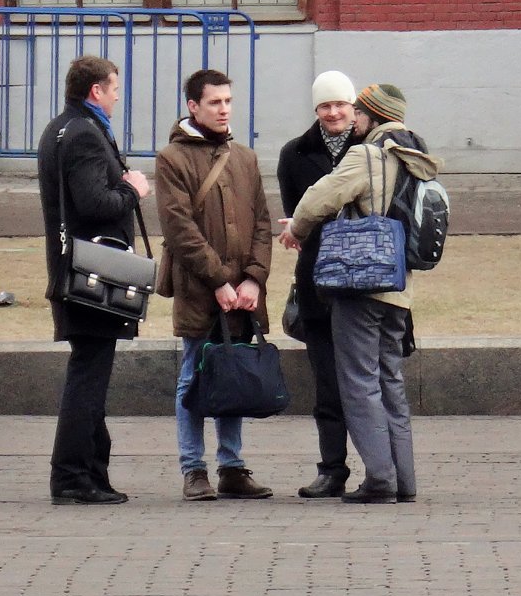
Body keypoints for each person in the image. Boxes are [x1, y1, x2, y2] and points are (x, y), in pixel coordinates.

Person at [279, 84, 441, 504]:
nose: (353, 120)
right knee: (391, 381)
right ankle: (404, 480)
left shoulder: (368, 154)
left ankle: (379, 478)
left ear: (370, 115)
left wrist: (295, 229)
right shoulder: (418, 157)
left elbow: (318, 198)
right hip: (399, 288)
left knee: (358, 382)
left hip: (361, 283)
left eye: (359, 113)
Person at [155, 69, 274, 501]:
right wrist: (220, 281)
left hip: (242, 291)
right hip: (199, 290)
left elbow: (262, 222)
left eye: (228, 101)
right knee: (193, 378)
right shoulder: (171, 158)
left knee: (234, 374)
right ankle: (194, 469)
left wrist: (254, 278)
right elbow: (179, 227)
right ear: (193, 106)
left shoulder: (245, 157)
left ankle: (232, 467)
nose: (224, 109)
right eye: (214, 102)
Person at [38, 55, 151, 505]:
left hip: (75, 272)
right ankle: (70, 477)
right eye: (114, 88)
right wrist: (132, 189)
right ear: (95, 91)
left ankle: (92, 472)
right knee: (88, 378)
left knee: (90, 375)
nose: (118, 95)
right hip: (92, 277)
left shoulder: (60, 128)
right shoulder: (84, 133)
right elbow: (94, 204)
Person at [277, 71, 363, 498]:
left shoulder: (370, 149)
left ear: (353, 108)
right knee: (327, 386)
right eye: (325, 106)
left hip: (365, 283)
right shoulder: (294, 154)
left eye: (340, 105)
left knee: (368, 383)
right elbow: (297, 218)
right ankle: (332, 469)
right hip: (317, 284)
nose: (333, 112)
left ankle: (380, 467)